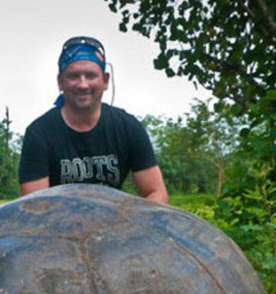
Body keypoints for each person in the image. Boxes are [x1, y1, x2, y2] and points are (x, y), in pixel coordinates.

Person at [18, 36, 168, 203]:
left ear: (105, 81)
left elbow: (156, 192)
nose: (83, 85)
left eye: (90, 76)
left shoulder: (128, 127)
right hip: (58, 225)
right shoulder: (39, 134)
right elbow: (34, 207)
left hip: (116, 223)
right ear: (60, 82)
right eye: (74, 76)